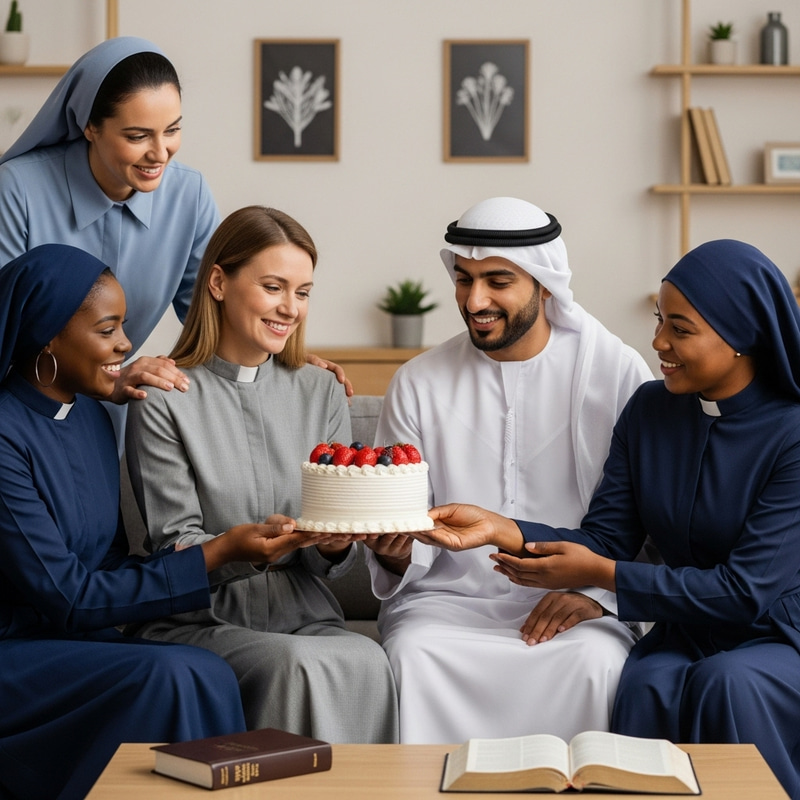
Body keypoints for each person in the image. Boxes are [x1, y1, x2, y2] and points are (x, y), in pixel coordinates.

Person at [422, 239, 800, 800]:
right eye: (659, 320)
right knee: (648, 680)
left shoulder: (793, 433)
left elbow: (744, 592)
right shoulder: (651, 409)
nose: (658, 343)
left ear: (743, 337)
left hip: (776, 633)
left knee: (728, 683)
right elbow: (607, 537)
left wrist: (606, 577)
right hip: (688, 629)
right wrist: (505, 528)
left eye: (681, 328)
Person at [0, 244, 334, 800]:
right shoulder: (6, 435)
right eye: (108, 330)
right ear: (48, 336)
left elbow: (105, 561)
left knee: (204, 667)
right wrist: (220, 552)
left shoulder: (90, 417)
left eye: (123, 326)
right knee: (176, 673)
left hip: (74, 634)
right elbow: (70, 596)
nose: (127, 346)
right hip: (17, 650)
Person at [363, 196, 654, 744]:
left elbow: (641, 524)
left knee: (597, 662)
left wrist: (599, 597)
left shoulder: (617, 374)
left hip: (580, 602)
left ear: (545, 285)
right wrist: (393, 550)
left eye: (498, 281)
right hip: (445, 605)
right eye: (464, 279)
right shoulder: (418, 381)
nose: (475, 300)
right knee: (412, 654)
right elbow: (402, 527)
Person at [124, 206, 399, 744]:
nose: (290, 308)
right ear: (219, 282)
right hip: (204, 623)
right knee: (295, 663)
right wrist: (242, 547)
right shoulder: (165, 397)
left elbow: (335, 559)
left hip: (307, 613)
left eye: (303, 292)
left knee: (367, 657)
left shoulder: (320, 390)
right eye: (274, 287)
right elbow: (171, 544)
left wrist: (336, 546)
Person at [0, 36, 349, 441]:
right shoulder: (16, 189)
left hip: (120, 414)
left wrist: (282, 354)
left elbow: (215, 309)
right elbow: (7, 328)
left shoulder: (189, 194)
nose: (160, 152)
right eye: (137, 136)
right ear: (90, 126)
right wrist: (109, 376)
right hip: (21, 416)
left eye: (172, 130)